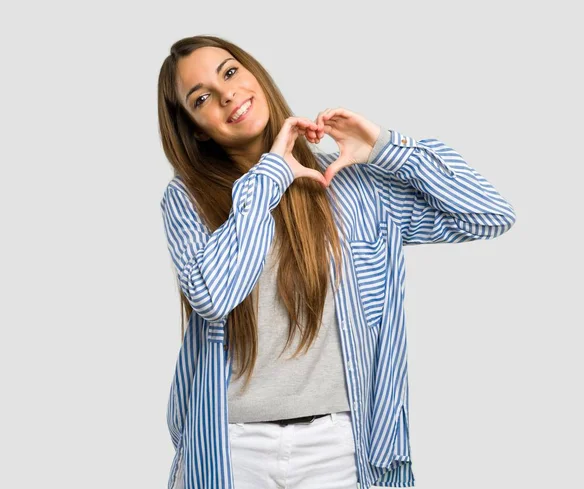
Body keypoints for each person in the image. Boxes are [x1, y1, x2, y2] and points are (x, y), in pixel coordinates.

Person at [157, 35, 516, 489]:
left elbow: (488, 214)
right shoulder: (186, 200)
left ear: (253, 75)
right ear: (196, 128)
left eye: (229, 72)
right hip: (232, 448)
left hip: (340, 449)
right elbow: (215, 295)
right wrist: (270, 176)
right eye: (202, 97)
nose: (226, 93)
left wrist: (385, 147)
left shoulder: (352, 184)